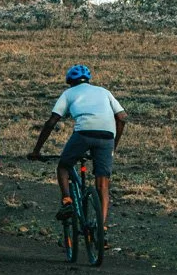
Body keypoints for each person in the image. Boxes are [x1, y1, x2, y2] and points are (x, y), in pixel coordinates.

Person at [27, 64, 125, 230]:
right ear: (88, 80)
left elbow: (51, 122)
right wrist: (113, 145)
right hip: (107, 137)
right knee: (103, 184)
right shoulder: (103, 91)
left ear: (69, 82)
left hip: (84, 134)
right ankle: (101, 228)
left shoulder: (69, 93)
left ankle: (67, 201)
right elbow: (122, 117)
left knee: (63, 166)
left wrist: (37, 151)